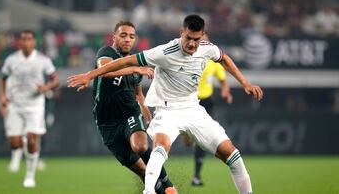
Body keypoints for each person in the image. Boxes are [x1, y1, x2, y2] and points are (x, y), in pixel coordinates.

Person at [67, 14, 263, 194]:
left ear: (202, 36)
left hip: (193, 109)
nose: (192, 44)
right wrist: (89, 75)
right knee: (158, 149)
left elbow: (224, 58)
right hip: (165, 111)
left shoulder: (207, 49)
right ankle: (153, 190)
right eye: (188, 38)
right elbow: (123, 63)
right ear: (181, 33)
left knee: (233, 155)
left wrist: (245, 83)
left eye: (196, 39)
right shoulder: (164, 52)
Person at [86, 21, 176, 194]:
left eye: (132, 36)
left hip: (129, 114)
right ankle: (160, 190)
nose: (128, 39)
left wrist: (144, 107)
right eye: (123, 35)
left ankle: (169, 186)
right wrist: (135, 68)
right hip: (107, 123)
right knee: (143, 171)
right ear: (114, 37)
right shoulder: (107, 52)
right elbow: (104, 70)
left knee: (140, 146)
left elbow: (138, 93)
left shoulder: (135, 64)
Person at [0, 30, 59, 188]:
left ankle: (30, 176)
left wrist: (46, 87)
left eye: (29, 39)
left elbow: (55, 80)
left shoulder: (42, 60)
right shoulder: (11, 60)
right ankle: (19, 149)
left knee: (32, 138)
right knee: (15, 143)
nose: (26, 42)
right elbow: (3, 78)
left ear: (34, 42)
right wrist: (2, 97)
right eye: (23, 39)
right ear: (19, 42)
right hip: (15, 104)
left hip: (34, 105)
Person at [188, 39, 233, 186]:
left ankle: (196, 176)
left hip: (205, 102)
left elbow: (222, 79)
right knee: (188, 140)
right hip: (188, 101)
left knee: (202, 141)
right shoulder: (186, 57)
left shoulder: (213, 61)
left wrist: (226, 91)